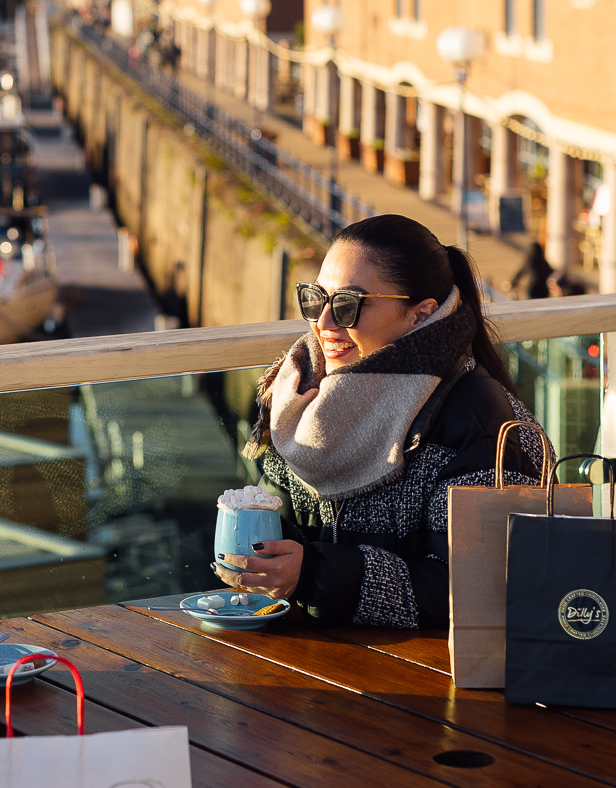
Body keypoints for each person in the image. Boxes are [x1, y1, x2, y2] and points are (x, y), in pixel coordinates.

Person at [217, 213, 541, 628]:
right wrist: (260, 548)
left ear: (421, 314)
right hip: (319, 660)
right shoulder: (298, 392)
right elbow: (284, 532)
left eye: (348, 305)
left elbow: (474, 586)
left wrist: (315, 574)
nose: (324, 323)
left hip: (429, 677)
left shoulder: (479, 420)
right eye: (316, 299)